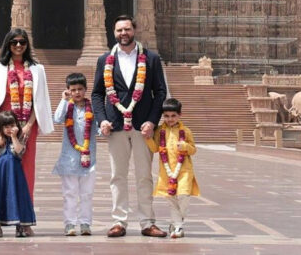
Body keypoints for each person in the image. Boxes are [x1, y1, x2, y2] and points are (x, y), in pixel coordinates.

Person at [91, 14, 168, 238]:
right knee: (118, 175)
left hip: (142, 124)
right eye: (119, 30)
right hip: (115, 125)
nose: (123, 34)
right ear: (113, 33)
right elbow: (97, 93)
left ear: (134, 30)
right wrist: (102, 119)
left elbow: (160, 92)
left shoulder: (151, 59)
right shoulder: (104, 60)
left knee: (144, 175)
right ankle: (119, 221)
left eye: (127, 29)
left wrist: (152, 121)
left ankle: (147, 221)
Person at [0, 28, 53, 201]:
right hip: (4, 124)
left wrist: (29, 125)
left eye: (22, 42)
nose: (18, 45)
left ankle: (24, 220)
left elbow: (39, 100)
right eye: (14, 42)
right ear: (8, 44)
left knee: (27, 167)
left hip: (27, 124)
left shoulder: (37, 69)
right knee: (0, 165)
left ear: (27, 45)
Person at [144, 98, 200, 239]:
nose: (170, 119)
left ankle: (177, 222)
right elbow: (156, 148)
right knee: (171, 200)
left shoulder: (186, 131)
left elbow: (193, 150)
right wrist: (148, 138)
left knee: (183, 196)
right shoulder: (160, 131)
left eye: (173, 116)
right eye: (167, 116)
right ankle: (178, 226)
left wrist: (186, 147)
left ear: (180, 115)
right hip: (166, 171)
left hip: (184, 170)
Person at [52, 72, 98, 236]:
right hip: (69, 158)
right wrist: (64, 100)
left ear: (85, 90)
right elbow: (57, 119)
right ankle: (70, 223)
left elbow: (99, 129)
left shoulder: (92, 108)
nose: (77, 92)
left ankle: (85, 223)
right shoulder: (67, 106)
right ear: (68, 91)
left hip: (88, 158)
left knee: (87, 194)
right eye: (73, 90)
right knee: (69, 193)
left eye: (80, 89)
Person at [0, 111, 36, 237]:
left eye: (12, 125)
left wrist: (14, 137)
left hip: (15, 175)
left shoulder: (20, 137)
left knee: (17, 196)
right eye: (6, 127)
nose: (10, 129)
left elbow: (20, 151)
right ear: (0, 127)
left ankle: (21, 226)